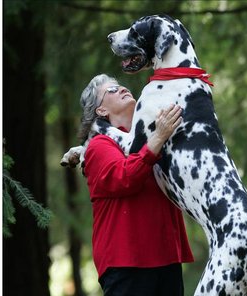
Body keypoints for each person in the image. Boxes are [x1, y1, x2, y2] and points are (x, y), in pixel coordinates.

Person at [78, 74, 194, 296]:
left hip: (166, 257)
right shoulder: (99, 146)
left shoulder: (155, 134)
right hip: (126, 262)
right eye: (111, 90)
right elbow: (126, 178)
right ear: (100, 111)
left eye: (121, 86)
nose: (121, 89)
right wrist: (157, 139)